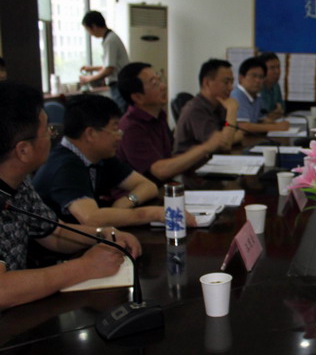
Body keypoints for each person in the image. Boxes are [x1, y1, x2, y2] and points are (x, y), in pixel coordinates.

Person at [0, 82, 141, 309]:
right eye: (48, 130)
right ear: (23, 150)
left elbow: (55, 234)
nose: (53, 136)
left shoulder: (19, 183)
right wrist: (84, 267)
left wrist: (104, 234)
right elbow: (2, 290)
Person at [33, 94, 166, 227]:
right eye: (115, 129)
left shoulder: (99, 156)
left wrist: (126, 202)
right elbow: (91, 218)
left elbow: (149, 186)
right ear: (90, 134)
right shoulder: (64, 166)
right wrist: (152, 214)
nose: (119, 136)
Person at [117, 62, 222, 182]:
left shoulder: (159, 117)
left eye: (160, 79)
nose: (164, 86)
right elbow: (160, 171)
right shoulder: (131, 128)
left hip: (165, 186)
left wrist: (197, 153)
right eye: (155, 84)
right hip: (143, 192)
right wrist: (205, 147)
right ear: (137, 97)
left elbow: (169, 158)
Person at [173, 59, 243, 155]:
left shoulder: (219, 104)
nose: (231, 88)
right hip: (194, 163)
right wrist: (232, 111)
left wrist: (228, 138)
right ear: (207, 83)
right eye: (226, 82)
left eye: (232, 82)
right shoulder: (195, 109)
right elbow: (225, 144)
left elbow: (239, 134)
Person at [79, 11, 130, 112]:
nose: (89, 34)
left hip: (119, 84)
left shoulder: (110, 41)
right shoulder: (111, 37)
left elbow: (109, 69)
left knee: (121, 113)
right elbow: (110, 65)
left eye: (88, 30)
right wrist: (91, 69)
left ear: (94, 27)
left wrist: (88, 79)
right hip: (121, 84)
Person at [230, 58, 290, 134]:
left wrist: (279, 124)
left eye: (261, 77)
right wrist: (276, 127)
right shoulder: (237, 95)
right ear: (241, 78)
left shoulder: (256, 96)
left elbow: (262, 120)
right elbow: (243, 126)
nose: (258, 80)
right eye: (254, 76)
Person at [258, 52, 285, 121]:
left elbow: (282, 109)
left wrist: (277, 112)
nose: (277, 71)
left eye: (278, 67)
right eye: (272, 68)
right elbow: (260, 119)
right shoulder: (256, 88)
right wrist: (274, 114)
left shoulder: (275, 85)